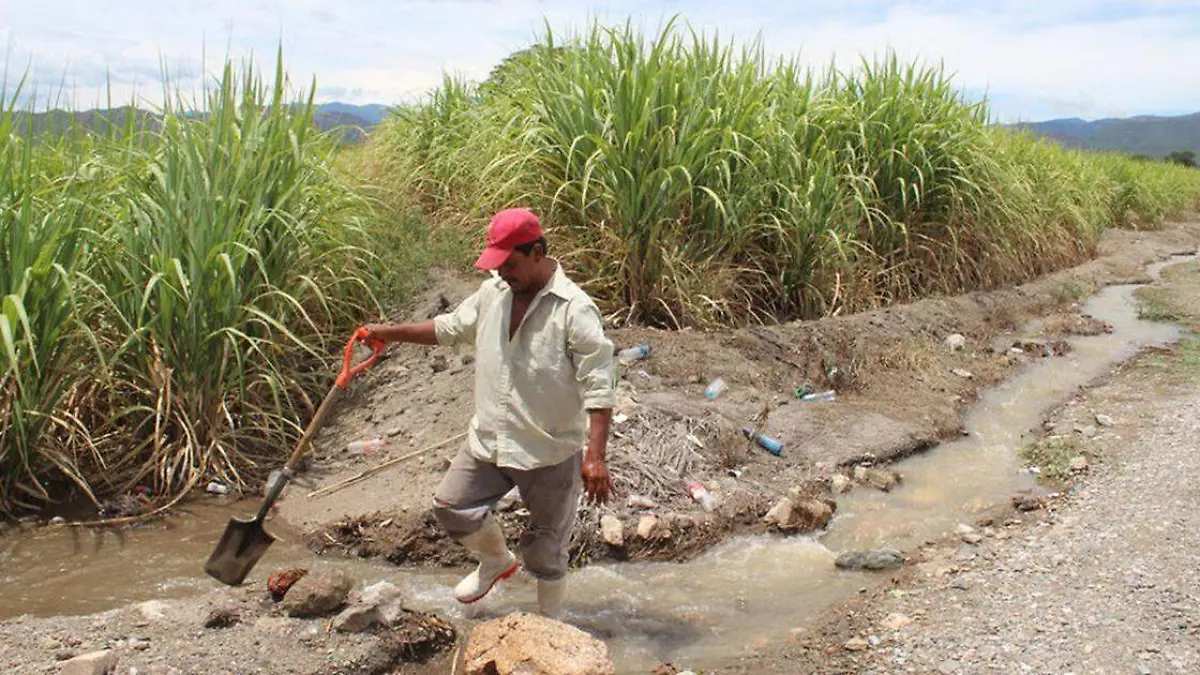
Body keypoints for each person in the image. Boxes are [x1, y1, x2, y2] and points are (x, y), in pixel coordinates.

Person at [361, 207, 616, 619]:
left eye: (510, 265)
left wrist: (596, 456)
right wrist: (387, 333)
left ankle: (552, 630)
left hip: (547, 449)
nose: (502, 274)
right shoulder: (493, 293)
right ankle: (495, 561)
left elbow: (600, 383)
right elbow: (449, 329)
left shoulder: (574, 309)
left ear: (537, 252)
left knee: (546, 550)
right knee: (451, 505)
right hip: (490, 440)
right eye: (497, 266)